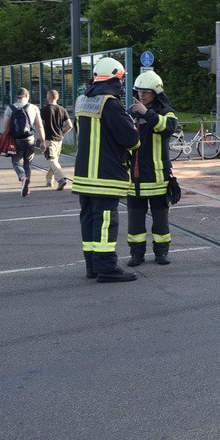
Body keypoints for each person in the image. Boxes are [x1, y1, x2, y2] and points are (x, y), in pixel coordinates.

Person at [73, 58, 140, 283]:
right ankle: (107, 268)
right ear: (116, 79)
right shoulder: (110, 103)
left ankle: (92, 266)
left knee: (89, 220)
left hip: (84, 175)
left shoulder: (81, 101)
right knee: (104, 222)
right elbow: (131, 139)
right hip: (106, 175)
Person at [126, 71, 179, 268]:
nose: (141, 95)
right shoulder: (131, 113)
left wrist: (146, 113)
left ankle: (161, 253)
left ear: (155, 93)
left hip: (158, 178)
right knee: (135, 222)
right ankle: (136, 254)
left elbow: (169, 127)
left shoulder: (166, 112)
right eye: (139, 91)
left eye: (146, 92)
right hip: (136, 178)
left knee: (160, 221)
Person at [3, 87, 45, 197]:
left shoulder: (10, 108)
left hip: (16, 140)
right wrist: (42, 141)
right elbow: (39, 126)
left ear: (17, 97)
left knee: (16, 163)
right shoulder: (34, 108)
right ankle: (27, 186)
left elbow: (5, 127)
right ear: (27, 96)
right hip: (30, 139)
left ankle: (22, 177)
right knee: (28, 164)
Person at [40, 89, 73, 191]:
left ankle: (61, 179)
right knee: (54, 161)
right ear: (57, 97)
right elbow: (70, 125)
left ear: (48, 97)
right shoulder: (62, 109)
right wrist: (62, 133)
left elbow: (40, 125)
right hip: (59, 139)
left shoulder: (44, 110)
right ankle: (49, 180)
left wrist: (40, 137)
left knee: (51, 160)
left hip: (48, 139)